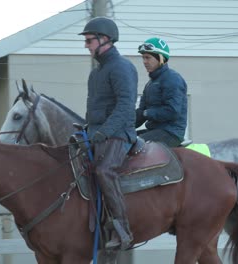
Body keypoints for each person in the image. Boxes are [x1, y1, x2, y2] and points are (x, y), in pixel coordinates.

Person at [79, 17, 138, 250]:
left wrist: (104, 132)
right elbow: (93, 107)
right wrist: (87, 128)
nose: (86, 45)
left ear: (105, 40)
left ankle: (122, 229)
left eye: (89, 40)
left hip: (119, 133)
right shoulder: (96, 73)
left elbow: (125, 106)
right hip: (97, 133)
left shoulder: (122, 67)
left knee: (104, 171)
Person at [135, 37, 188, 147]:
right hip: (154, 130)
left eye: (148, 58)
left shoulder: (173, 79)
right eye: (143, 58)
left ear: (160, 58)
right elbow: (141, 113)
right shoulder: (149, 84)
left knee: (134, 145)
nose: (144, 62)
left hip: (171, 133)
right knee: (122, 141)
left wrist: (147, 113)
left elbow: (173, 111)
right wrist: (122, 125)